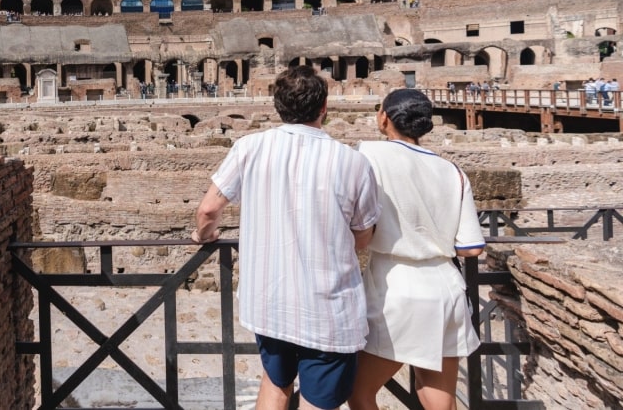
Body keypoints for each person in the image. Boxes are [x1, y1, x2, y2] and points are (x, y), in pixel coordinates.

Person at [192, 66, 379, 410]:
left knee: (275, 383)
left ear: (277, 106)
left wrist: (204, 234)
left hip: (269, 302)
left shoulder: (249, 147)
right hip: (327, 309)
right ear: (324, 107)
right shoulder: (354, 163)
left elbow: (207, 210)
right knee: (317, 401)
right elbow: (363, 236)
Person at [348, 89, 486, 410]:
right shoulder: (452, 171)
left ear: (384, 117)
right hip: (448, 289)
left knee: (359, 392)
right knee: (438, 397)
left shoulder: (367, 154)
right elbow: (471, 249)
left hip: (398, 288)